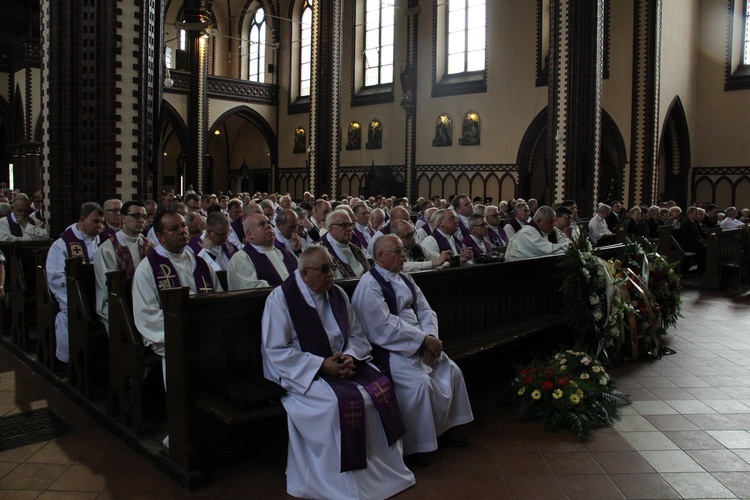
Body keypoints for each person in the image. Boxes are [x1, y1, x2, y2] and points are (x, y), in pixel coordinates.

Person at [261, 246, 415, 499]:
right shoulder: (281, 300)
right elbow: (276, 351)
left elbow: (356, 333)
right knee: (338, 405)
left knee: (381, 389)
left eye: (331, 267)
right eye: (324, 269)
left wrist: (349, 358)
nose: (330, 274)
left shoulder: (337, 294)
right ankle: (341, 483)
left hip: (342, 364)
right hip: (304, 374)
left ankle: (388, 471)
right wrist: (322, 365)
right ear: (304, 273)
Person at [352, 235, 474, 465]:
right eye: (397, 251)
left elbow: (425, 310)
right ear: (380, 256)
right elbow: (382, 327)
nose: (402, 255)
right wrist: (422, 341)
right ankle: (416, 447)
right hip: (390, 349)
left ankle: (447, 429)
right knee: (419, 384)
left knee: (451, 370)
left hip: (419, 340)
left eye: (402, 250)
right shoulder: (369, 286)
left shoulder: (405, 278)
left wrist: (432, 338)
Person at [132, 210, 222, 385]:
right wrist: (187, 328)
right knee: (184, 347)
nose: (183, 231)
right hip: (167, 332)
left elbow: (218, 297)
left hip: (203, 330)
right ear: (160, 236)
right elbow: (147, 314)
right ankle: (180, 404)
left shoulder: (201, 263)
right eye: (174, 228)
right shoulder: (148, 269)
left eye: (183, 226)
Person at [46, 202, 104, 362]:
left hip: (97, 294)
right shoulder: (62, 244)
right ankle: (72, 360)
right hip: (73, 297)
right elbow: (56, 276)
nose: (99, 226)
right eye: (95, 221)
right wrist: (77, 297)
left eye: (101, 222)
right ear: (83, 219)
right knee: (71, 314)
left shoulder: (101, 240)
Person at [94, 201, 153, 333]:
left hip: (147, 305)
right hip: (118, 304)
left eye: (144, 216)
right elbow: (108, 288)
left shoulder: (150, 246)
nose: (141, 220)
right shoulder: (107, 249)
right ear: (123, 218)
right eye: (136, 216)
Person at [227, 214, 298, 290]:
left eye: (268, 223)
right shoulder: (241, 258)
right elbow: (252, 289)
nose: (268, 226)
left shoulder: (287, 254)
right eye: (261, 224)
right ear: (250, 234)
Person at [505, 206, 570, 262]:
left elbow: (563, 240)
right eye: (550, 222)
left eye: (553, 221)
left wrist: (569, 244)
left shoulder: (553, 230)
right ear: (538, 220)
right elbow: (549, 251)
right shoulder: (526, 233)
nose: (553, 225)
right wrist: (570, 245)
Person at [319, 211, 370, 279]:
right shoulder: (320, 253)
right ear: (331, 229)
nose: (349, 229)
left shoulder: (356, 249)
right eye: (343, 225)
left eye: (350, 224)